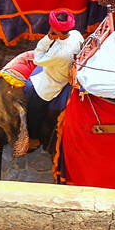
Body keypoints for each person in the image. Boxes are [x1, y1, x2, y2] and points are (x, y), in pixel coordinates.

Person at [21, 8, 84, 152]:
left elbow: (38, 59)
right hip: (61, 68)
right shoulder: (76, 34)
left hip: (54, 80)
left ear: (56, 29)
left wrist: (48, 38)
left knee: (34, 109)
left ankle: (34, 138)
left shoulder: (59, 53)